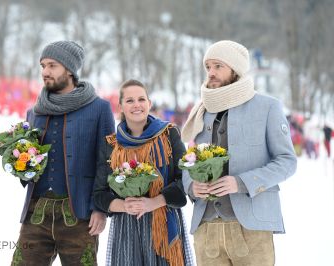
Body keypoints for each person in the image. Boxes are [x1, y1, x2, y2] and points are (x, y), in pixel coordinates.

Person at [181, 40, 297, 266]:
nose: (211, 73)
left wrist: (242, 182)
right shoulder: (200, 111)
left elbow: (287, 161)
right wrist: (191, 186)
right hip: (206, 229)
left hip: (252, 227)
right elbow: (189, 160)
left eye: (218, 66)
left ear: (235, 70)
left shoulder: (268, 107)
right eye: (208, 67)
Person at [11, 41, 115, 265]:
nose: (45, 72)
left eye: (52, 66)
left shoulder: (99, 109)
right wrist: (18, 163)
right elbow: (30, 160)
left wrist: (100, 208)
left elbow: (107, 161)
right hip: (36, 213)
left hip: (79, 216)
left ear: (69, 69)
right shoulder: (34, 112)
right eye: (42, 66)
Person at [93, 79, 194, 266]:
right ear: (121, 106)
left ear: (149, 103)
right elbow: (99, 194)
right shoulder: (111, 145)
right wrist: (124, 206)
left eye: (141, 99)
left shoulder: (169, 134)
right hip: (127, 230)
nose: (136, 105)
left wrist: (153, 203)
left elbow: (185, 180)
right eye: (129, 101)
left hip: (163, 226)